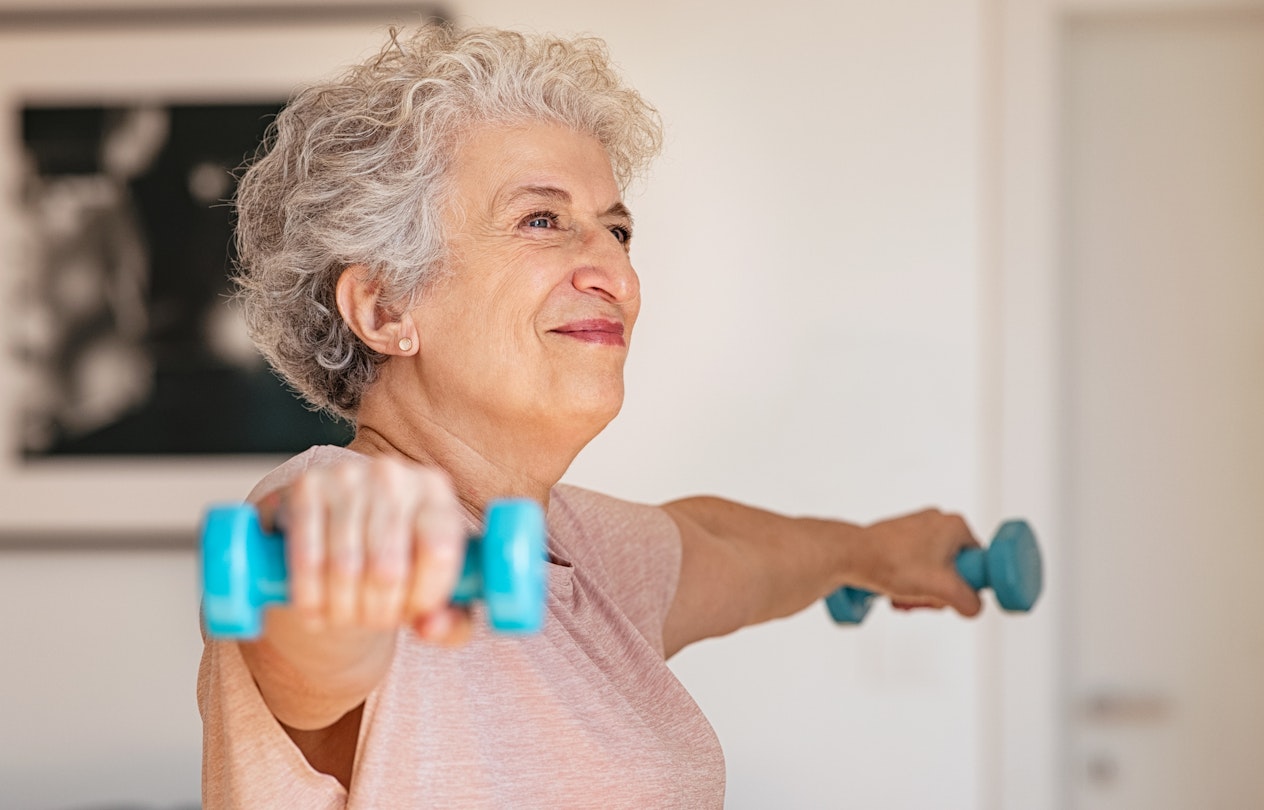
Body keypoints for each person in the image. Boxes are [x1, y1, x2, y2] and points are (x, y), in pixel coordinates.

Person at [197, 24, 983, 808]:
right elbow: (307, 631)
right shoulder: (341, 502)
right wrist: (336, 582)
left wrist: (878, 553)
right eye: (541, 220)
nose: (615, 271)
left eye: (618, 229)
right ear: (384, 304)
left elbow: (723, 545)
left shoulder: (573, 551)